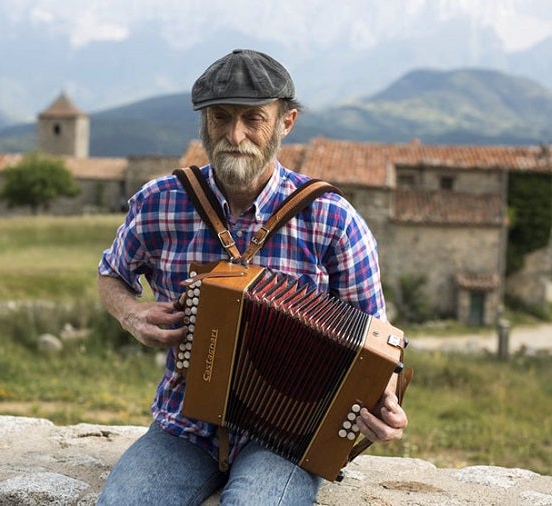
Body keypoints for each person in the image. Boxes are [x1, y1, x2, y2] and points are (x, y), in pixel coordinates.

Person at [96, 49, 407, 506]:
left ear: (286, 122)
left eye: (253, 119)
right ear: (203, 122)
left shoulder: (333, 219)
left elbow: (379, 346)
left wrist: (385, 401)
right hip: (184, 426)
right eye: (220, 118)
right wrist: (131, 315)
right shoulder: (161, 201)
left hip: (287, 440)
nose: (234, 135)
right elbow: (111, 274)